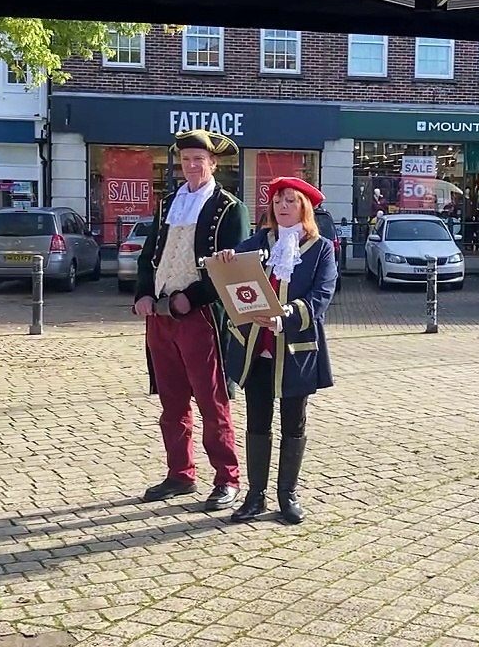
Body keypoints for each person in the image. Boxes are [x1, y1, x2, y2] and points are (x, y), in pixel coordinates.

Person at [133, 128, 251, 510]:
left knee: (211, 401)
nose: (192, 166)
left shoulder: (230, 207)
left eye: (199, 159)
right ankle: (180, 474)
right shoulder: (168, 203)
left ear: (213, 163)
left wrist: (193, 297)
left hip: (201, 317)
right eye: (186, 160)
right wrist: (144, 294)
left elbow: (230, 270)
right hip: (161, 317)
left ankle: (227, 478)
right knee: (171, 402)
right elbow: (149, 254)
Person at [212, 177, 337, 524]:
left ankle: (288, 494)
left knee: (293, 423)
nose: (282, 207)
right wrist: (226, 257)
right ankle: (255, 496)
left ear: (304, 208)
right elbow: (234, 265)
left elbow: (322, 296)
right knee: (257, 421)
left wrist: (287, 315)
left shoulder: (321, 248)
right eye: (278, 201)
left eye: (291, 201)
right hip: (257, 348)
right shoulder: (259, 241)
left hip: (296, 350)